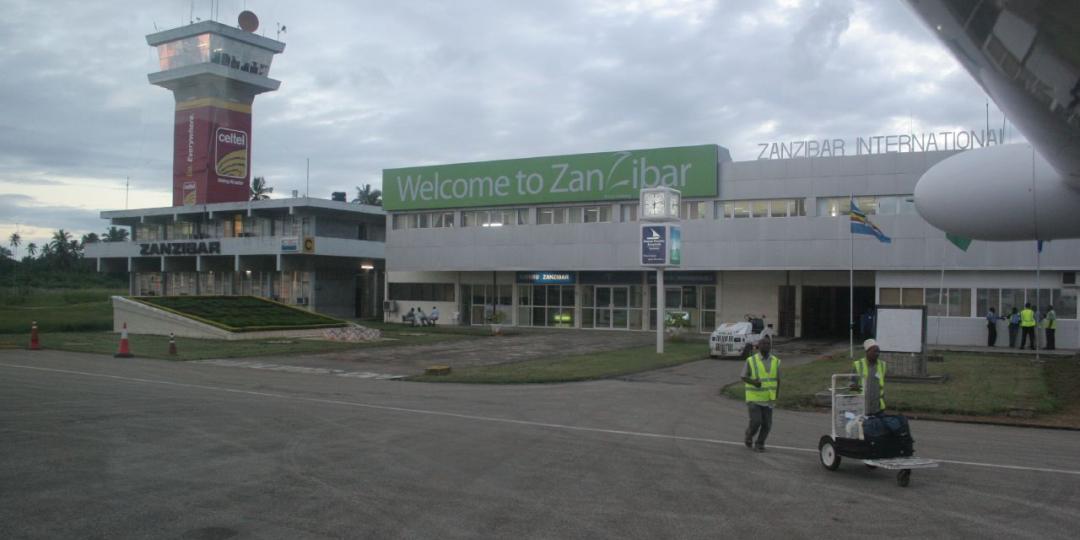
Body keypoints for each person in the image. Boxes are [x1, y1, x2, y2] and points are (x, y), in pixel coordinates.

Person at [741, 337, 780, 452]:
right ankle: (749, 434)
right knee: (756, 421)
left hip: (768, 398)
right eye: (763, 343)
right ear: (758, 345)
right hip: (754, 397)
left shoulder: (776, 361)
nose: (766, 345)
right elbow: (743, 376)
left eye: (768, 344)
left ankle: (759, 444)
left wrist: (776, 395)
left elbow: (778, 380)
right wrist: (754, 383)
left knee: (767, 424)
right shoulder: (751, 360)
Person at [851, 339, 886, 416]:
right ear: (867, 352)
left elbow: (882, 386)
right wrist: (855, 402)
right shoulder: (858, 364)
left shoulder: (882, 365)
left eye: (878, 351)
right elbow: (853, 385)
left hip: (878, 408)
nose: (877, 354)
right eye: (875, 351)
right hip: (862, 407)